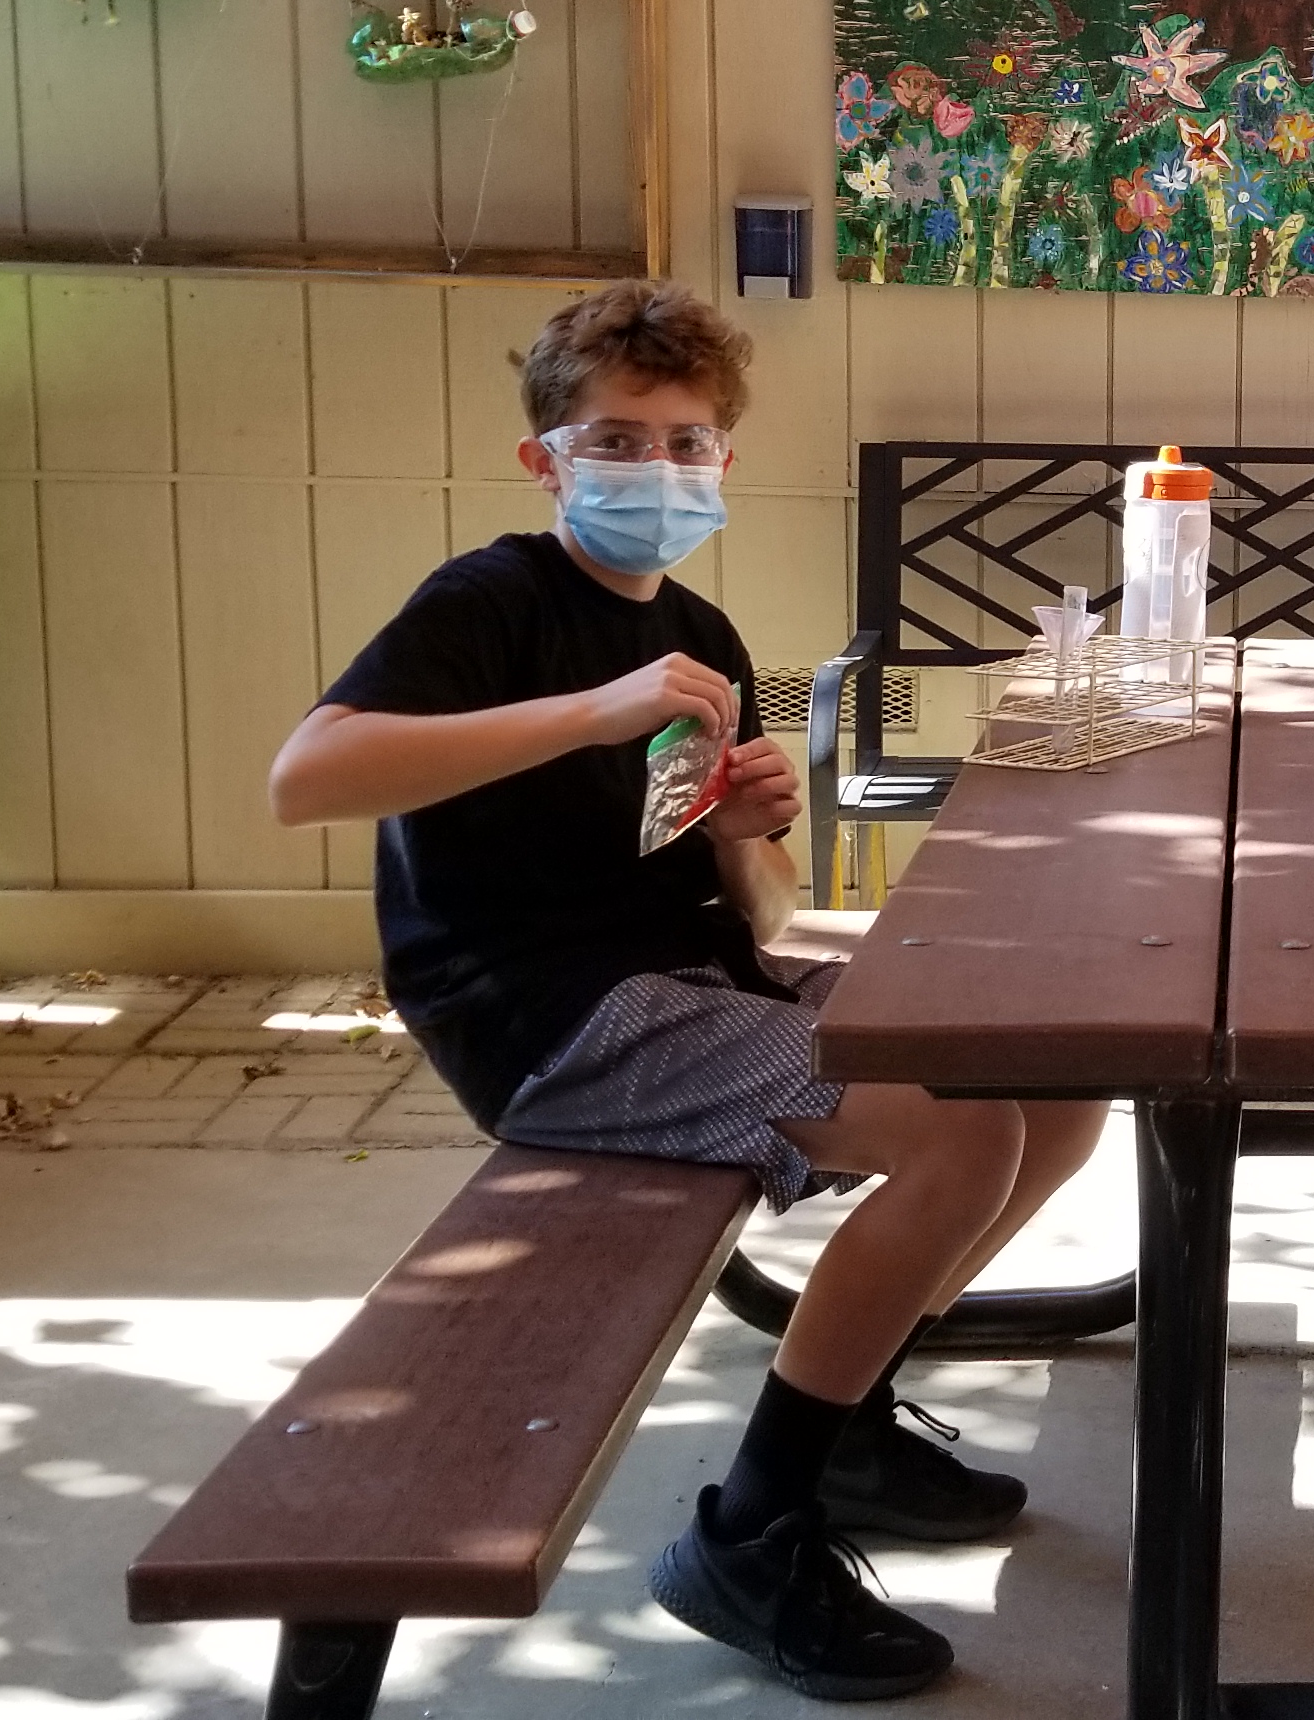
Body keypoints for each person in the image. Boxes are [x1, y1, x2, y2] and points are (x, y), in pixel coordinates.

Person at [267, 281, 1102, 1702]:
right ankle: (754, 1529)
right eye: (617, 440)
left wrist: (743, 833)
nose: (655, 468)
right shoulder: (492, 601)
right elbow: (308, 777)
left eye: (686, 442)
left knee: (1053, 1082)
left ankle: (847, 1418)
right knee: (961, 1129)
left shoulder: (702, 637)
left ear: (725, 457)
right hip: (550, 1019)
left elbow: (760, 904)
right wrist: (593, 713)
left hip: (692, 973)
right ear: (546, 460)